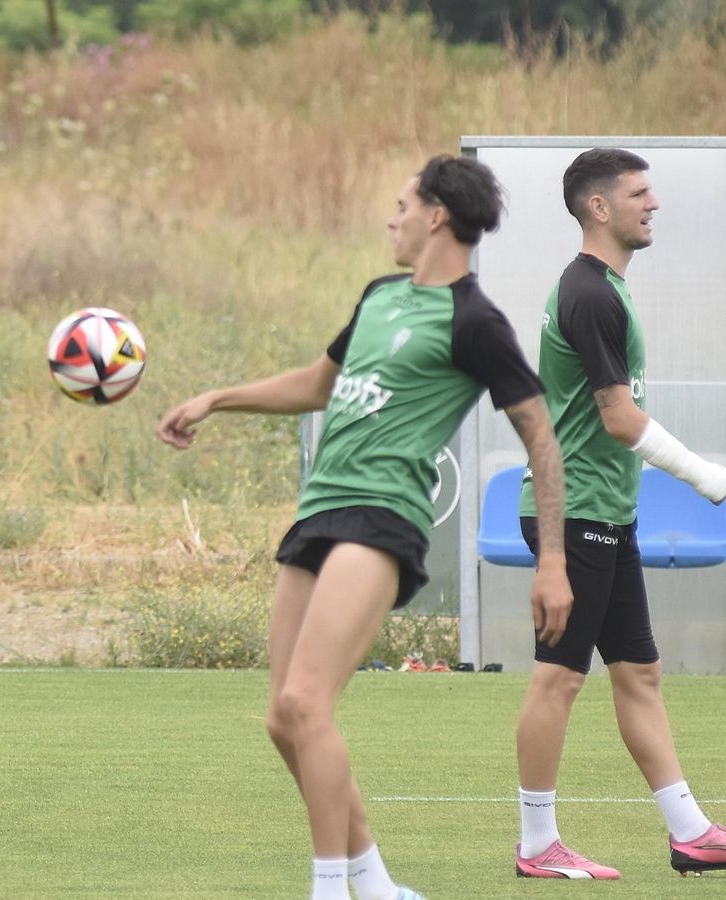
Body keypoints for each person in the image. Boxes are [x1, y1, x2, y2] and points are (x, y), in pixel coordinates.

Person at [157, 155, 573, 900]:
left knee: (305, 705)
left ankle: (330, 890)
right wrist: (217, 397)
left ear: (437, 215)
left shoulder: (474, 321)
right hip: (320, 511)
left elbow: (541, 436)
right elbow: (316, 386)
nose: (392, 217)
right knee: (283, 721)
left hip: (383, 517)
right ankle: (374, 883)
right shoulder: (380, 296)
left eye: (401, 204)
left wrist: (552, 562)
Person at [512, 148, 726, 880]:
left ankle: (691, 832)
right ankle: (537, 845)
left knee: (639, 674)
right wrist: (708, 477)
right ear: (598, 207)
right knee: (559, 679)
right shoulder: (590, 293)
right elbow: (618, 419)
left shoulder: (605, 289)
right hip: (571, 518)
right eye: (639, 193)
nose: (654, 204)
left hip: (604, 513)